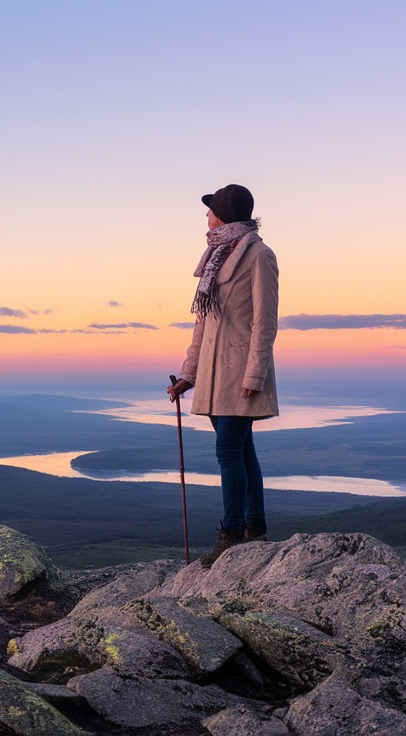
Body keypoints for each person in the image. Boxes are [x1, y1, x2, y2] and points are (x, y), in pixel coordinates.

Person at [167, 183, 279, 566]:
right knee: (243, 450)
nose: (206, 217)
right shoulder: (216, 257)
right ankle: (254, 528)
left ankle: (231, 535)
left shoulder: (260, 256)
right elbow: (204, 325)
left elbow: (265, 322)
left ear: (224, 214)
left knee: (228, 450)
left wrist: (254, 376)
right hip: (214, 374)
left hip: (239, 373)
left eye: (210, 210)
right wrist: (188, 375)